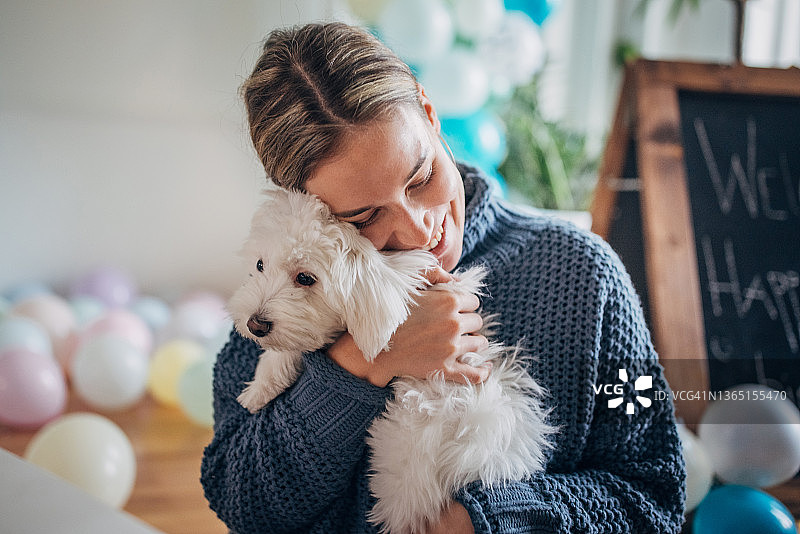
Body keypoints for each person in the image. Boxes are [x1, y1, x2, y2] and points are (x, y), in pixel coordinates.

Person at [201, 21, 686, 533]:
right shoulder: (281, 299)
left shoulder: (584, 276)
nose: (417, 229)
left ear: (429, 115)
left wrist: (488, 520)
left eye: (422, 176)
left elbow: (652, 497)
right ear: (300, 207)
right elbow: (243, 499)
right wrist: (362, 364)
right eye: (364, 217)